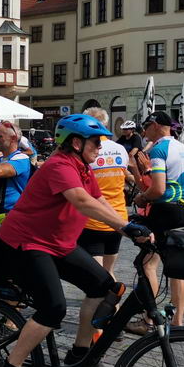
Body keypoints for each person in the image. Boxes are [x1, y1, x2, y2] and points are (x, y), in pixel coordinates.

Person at [0, 114, 150, 367]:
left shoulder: (83, 168)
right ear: (76, 143)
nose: (100, 146)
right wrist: (125, 228)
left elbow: (99, 200)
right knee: (53, 308)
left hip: (58, 244)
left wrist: (129, 225)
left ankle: (79, 356)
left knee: (105, 286)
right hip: (26, 243)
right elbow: (82, 201)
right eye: (95, 141)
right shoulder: (59, 166)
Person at [133, 111, 184, 328]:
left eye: (146, 127)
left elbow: (158, 189)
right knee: (178, 266)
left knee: (147, 263)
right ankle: (177, 321)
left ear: (155, 125)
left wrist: (142, 197)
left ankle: (149, 319)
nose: (144, 133)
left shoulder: (159, 149)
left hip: (166, 209)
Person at [77, 107, 133, 278]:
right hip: (118, 217)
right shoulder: (120, 149)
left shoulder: (85, 151)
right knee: (108, 272)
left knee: (95, 278)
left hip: (93, 219)